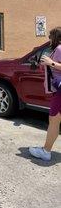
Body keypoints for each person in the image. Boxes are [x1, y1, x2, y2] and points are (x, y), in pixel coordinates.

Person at [29, 26, 61, 161]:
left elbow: (55, 64)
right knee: (55, 121)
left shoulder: (59, 49)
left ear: (56, 37)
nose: (49, 39)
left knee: (54, 121)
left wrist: (51, 62)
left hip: (60, 92)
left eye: (50, 36)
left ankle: (46, 152)